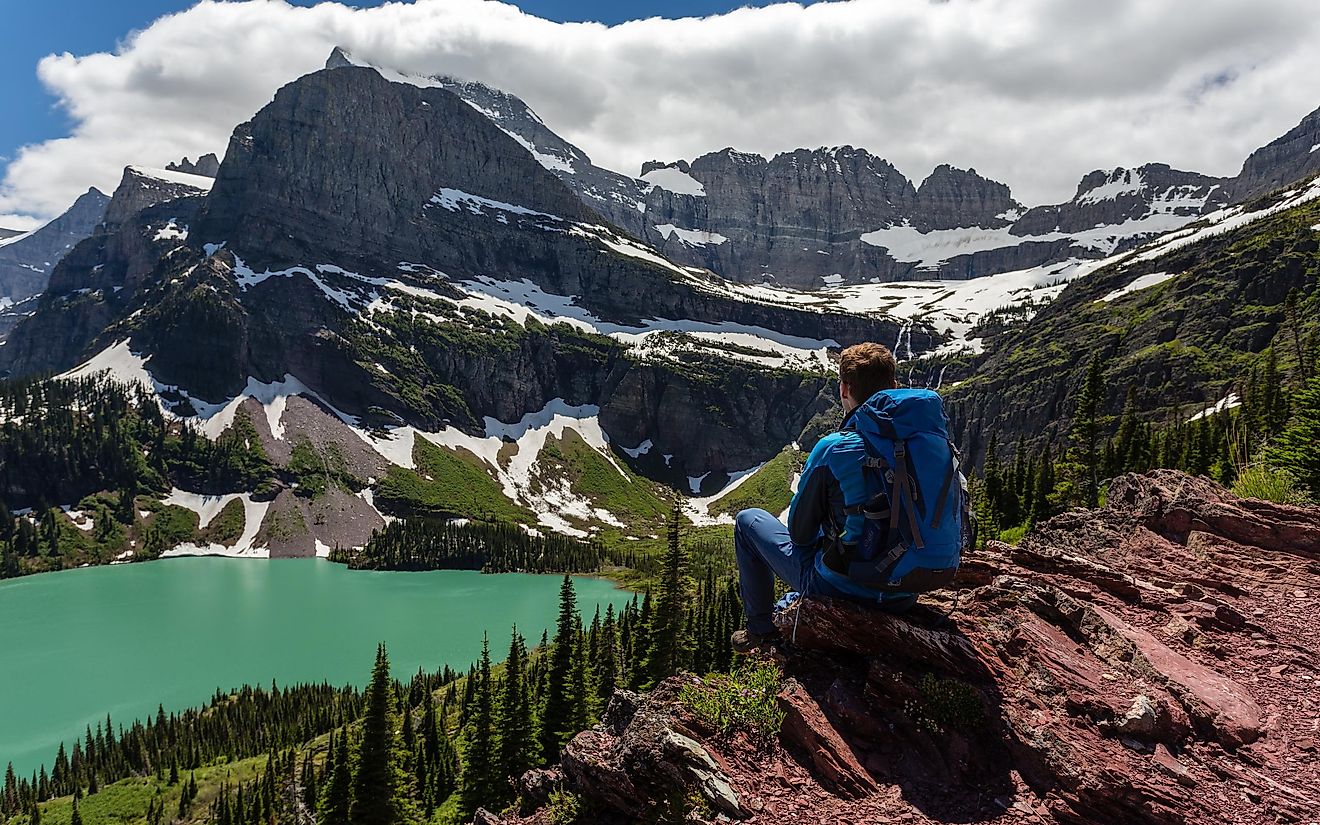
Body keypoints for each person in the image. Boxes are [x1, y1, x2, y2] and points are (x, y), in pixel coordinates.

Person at [730, 341, 965, 653]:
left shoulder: (834, 447)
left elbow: (800, 534)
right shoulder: (933, 442)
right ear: (893, 386)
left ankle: (760, 629)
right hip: (908, 588)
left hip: (842, 586)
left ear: (843, 389)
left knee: (748, 522)